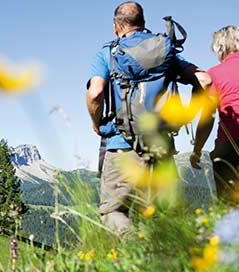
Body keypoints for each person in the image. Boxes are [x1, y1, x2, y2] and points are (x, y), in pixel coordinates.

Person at [86, 1, 212, 233]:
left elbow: (95, 93)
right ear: (143, 23)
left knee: (113, 212)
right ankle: (168, 263)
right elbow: (204, 80)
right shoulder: (164, 51)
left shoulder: (108, 53)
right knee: (164, 216)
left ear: (117, 25)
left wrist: (97, 125)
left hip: (121, 145)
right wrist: (186, 115)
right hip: (161, 144)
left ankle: (136, 247)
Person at [191, 25, 239, 202]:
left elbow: (207, 119)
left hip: (229, 149)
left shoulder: (214, 74)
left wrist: (197, 150)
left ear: (220, 47)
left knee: (231, 209)